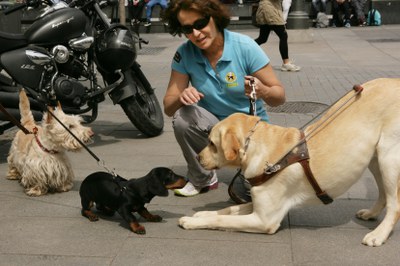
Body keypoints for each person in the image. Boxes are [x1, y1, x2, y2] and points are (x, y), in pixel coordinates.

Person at [162, 0, 286, 198]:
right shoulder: (184, 53)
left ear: (214, 17)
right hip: (213, 128)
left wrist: (262, 90)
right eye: (187, 28)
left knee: (253, 194)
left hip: (250, 132)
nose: (196, 33)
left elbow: (279, 97)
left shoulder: (244, 46)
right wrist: (181, 97)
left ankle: (245, 167)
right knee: (181, 118)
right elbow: (169, 107)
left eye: (201, 23)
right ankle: (203, 178)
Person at [254, 0, 301, 72]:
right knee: (283, 35)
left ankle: (243, 50)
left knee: (262, 38)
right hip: (270, 10)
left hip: (267, 8)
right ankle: (286, 63)